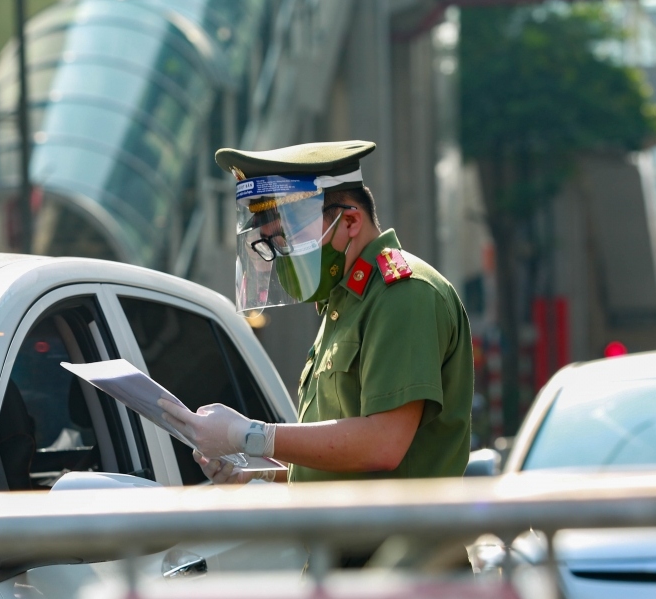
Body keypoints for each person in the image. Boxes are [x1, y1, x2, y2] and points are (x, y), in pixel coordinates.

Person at [159, 139, 473, 486]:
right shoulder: (346, 301)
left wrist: (248, 434)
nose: (282, 253)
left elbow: (383, 445)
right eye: (272, 243)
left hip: (399, 541)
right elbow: (342, 463)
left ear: (350, 221)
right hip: (343, 539)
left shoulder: (404, 293)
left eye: (288, 236)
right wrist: (256, 473)